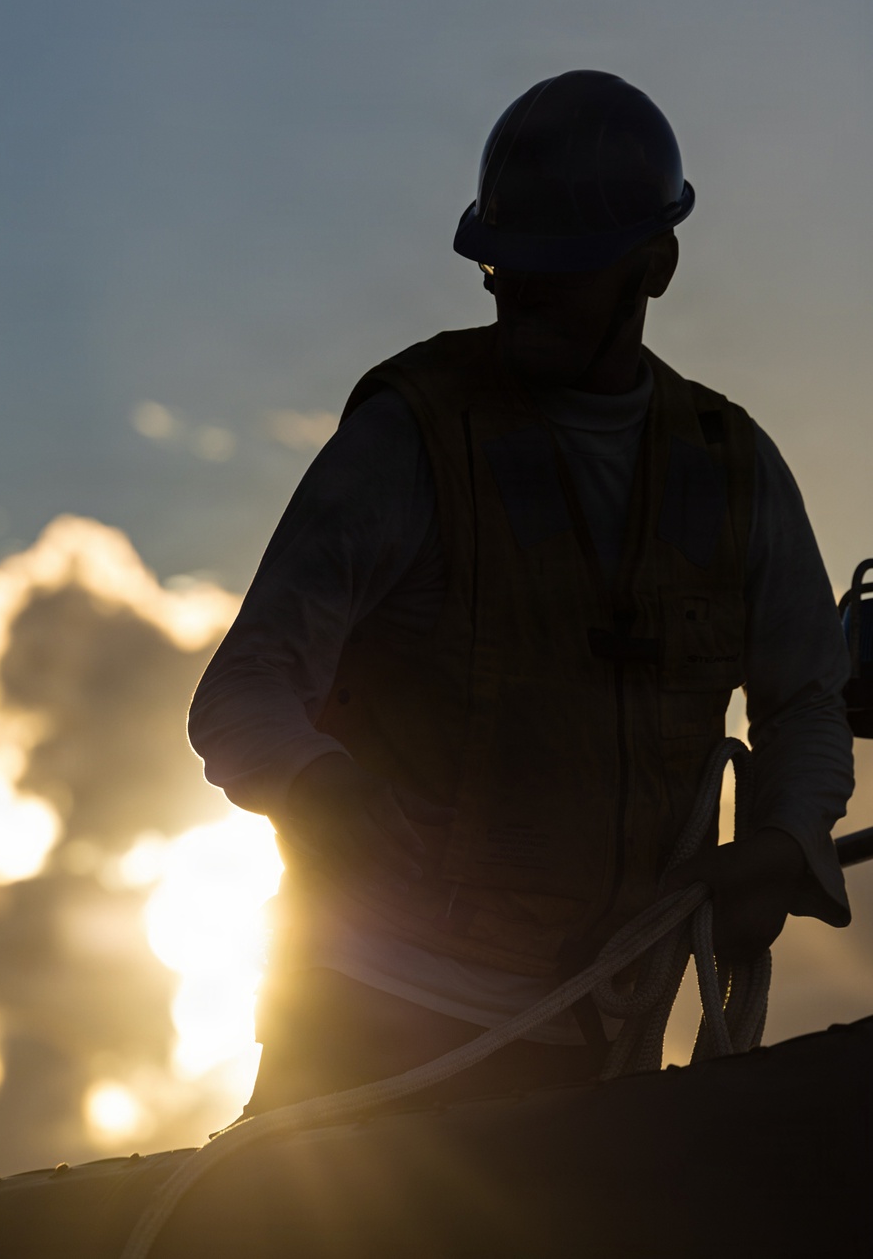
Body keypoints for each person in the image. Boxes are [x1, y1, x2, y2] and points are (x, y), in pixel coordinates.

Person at [188, 70, 854, 1113]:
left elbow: (807, 699)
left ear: (655, 268)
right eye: (503, 266)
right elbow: (242, 694)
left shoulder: (736, 470)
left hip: (599, 1045)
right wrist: (319, 786)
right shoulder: (411, 438)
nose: (517, 294)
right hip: (366, 1025)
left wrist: (781, 842)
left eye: (558, 272)